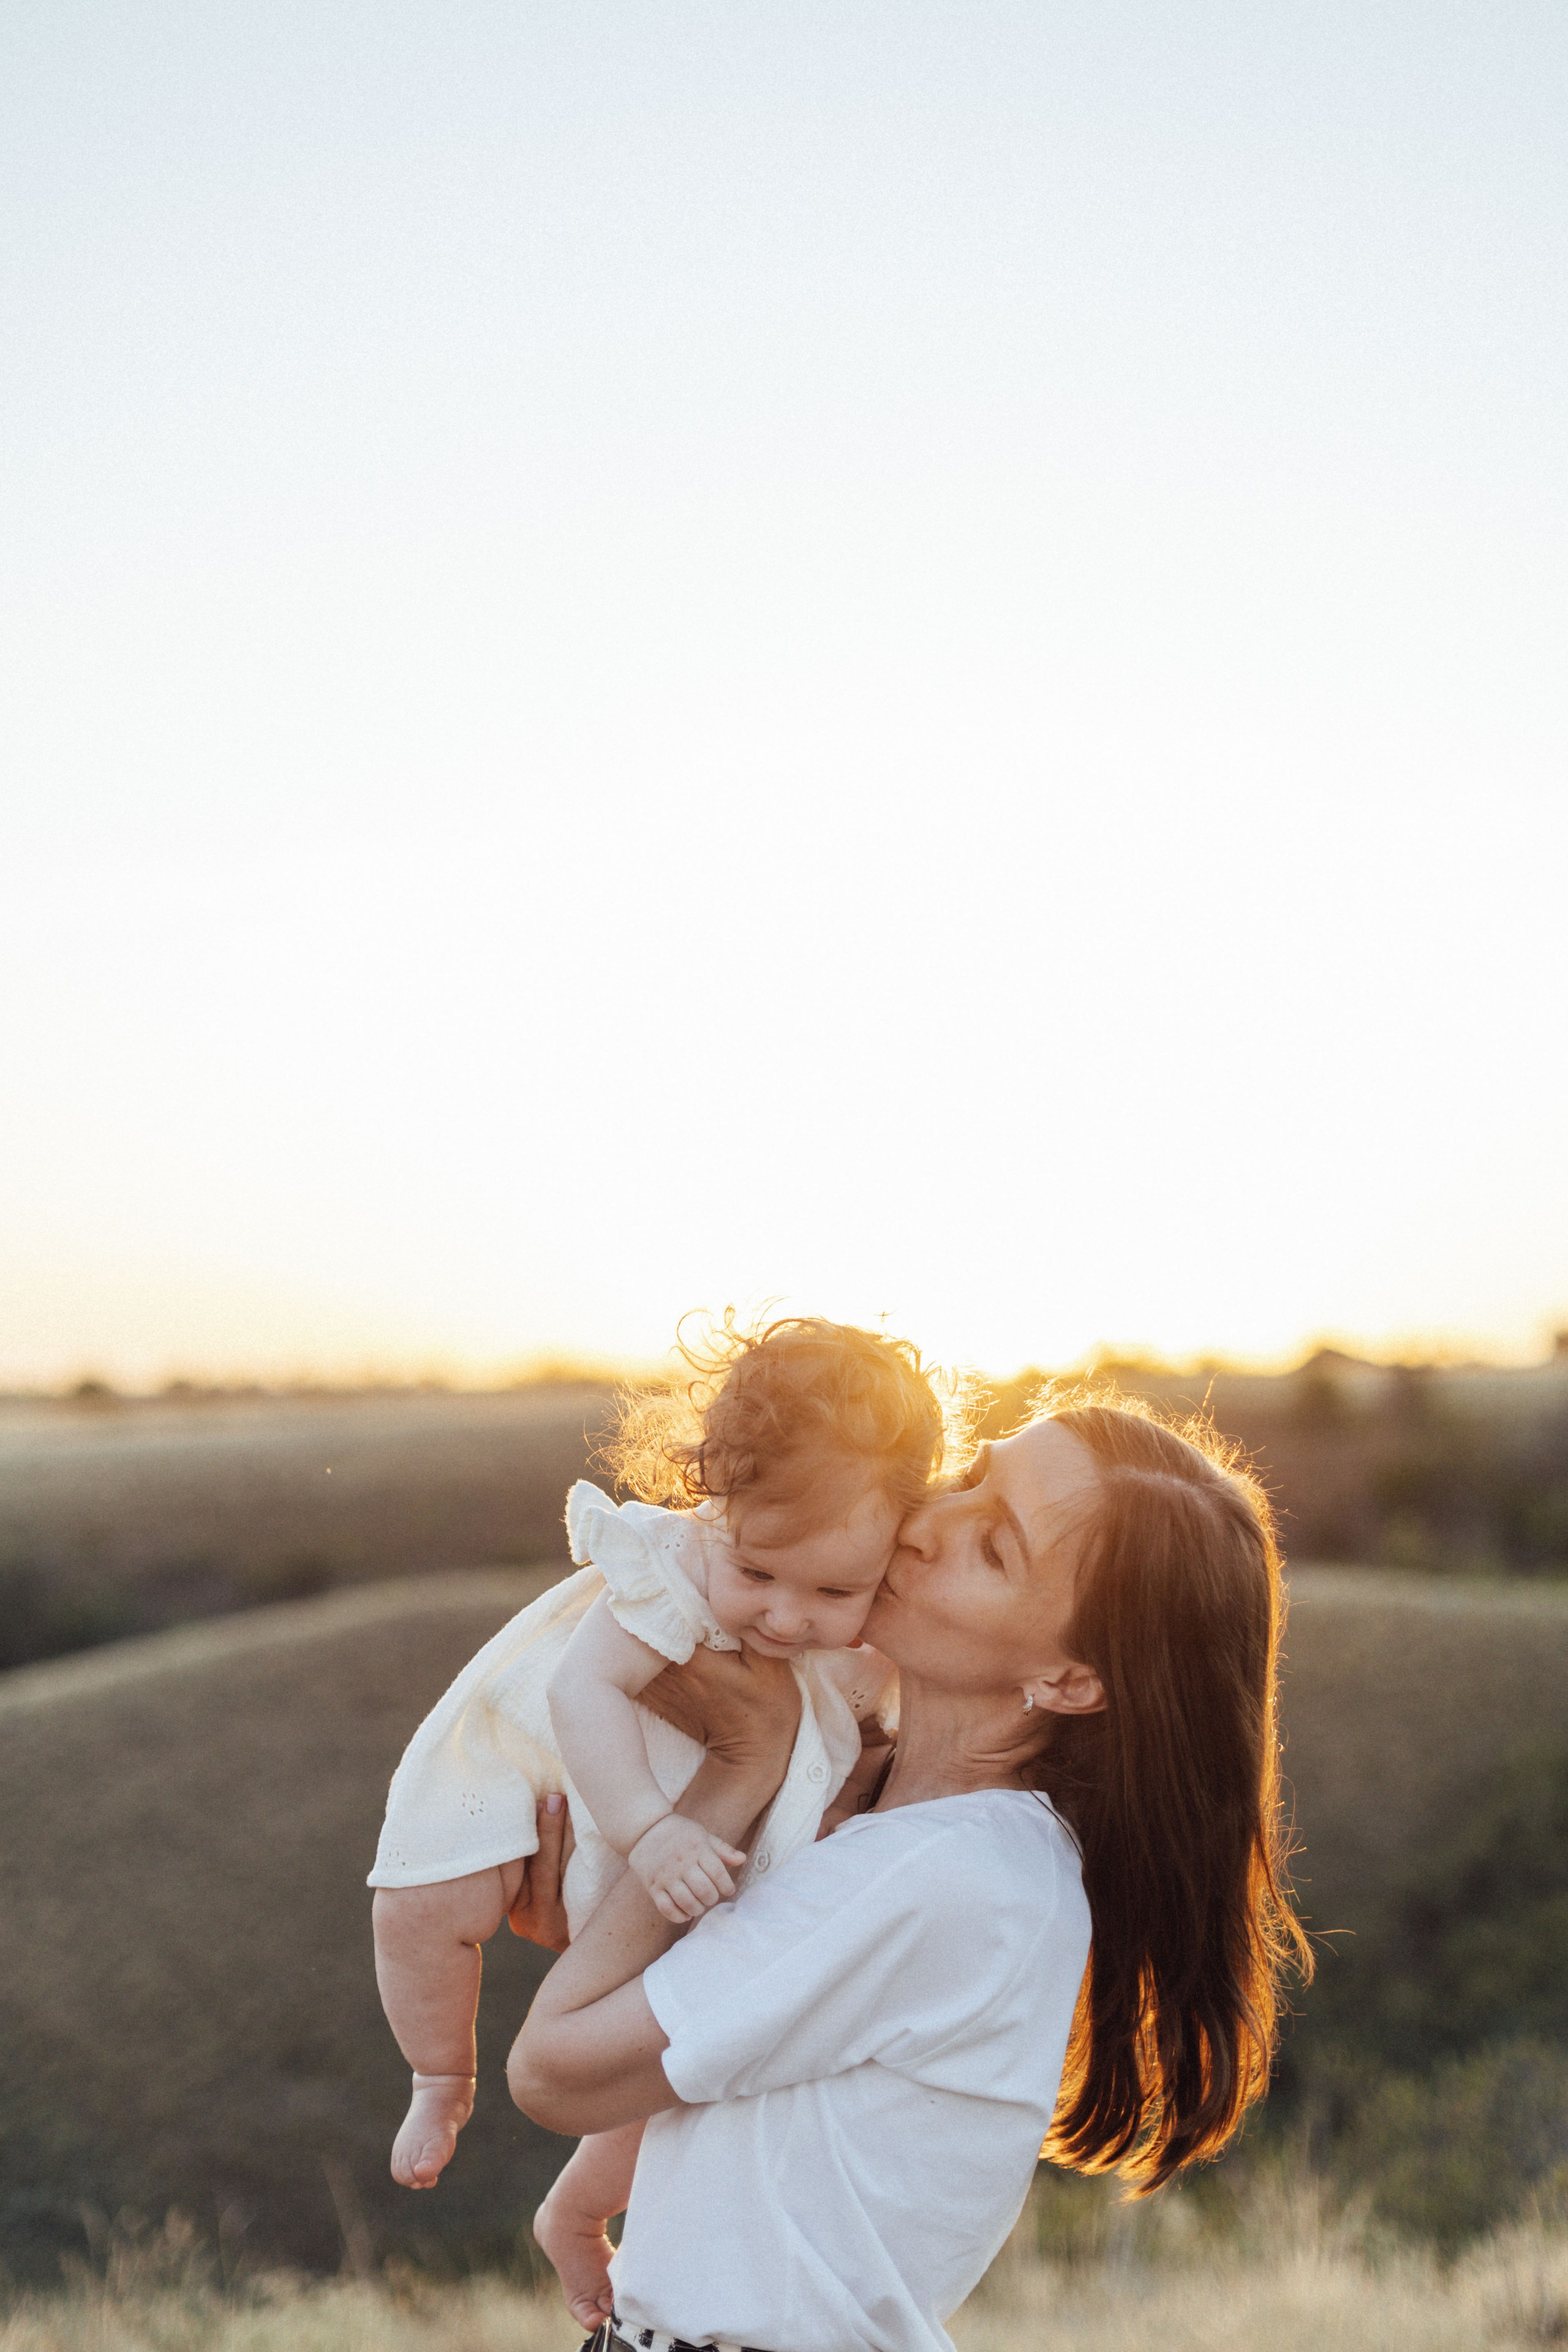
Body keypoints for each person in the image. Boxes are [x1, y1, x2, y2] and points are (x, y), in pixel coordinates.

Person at [506, 1395, 1312, 2352]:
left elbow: (551, 2074)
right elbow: (714, 2057)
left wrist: (734, 1772)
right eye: (971, 1474)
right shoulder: (901, 1826)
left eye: (996, 1546)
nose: (930, 1525)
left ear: (1068, 1680)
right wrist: (637, 1941)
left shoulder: (944, 1872)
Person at [369, 1316, 953, 2318]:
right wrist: (645, 1828)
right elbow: (580, 1694)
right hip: (585, 1793)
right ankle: (438, 2072)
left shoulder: (869, 1640)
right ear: (714, 1506)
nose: (784, 1617)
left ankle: (578, 2211)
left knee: (682, 2059)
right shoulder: (668, 1571)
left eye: (833, 1591)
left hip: (715, 1856)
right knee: (423, 1900)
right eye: (758, 1573)